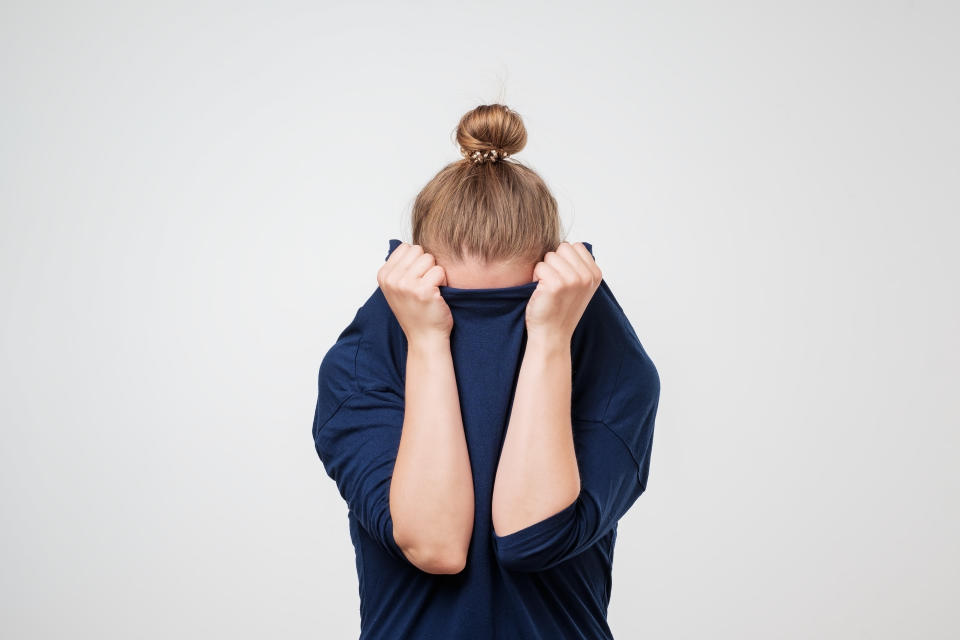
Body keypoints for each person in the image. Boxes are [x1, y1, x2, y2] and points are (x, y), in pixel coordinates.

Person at [312, 104, 660, 639]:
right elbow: (435, 545)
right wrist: (428, 340)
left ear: (555, 286)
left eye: (512, 311)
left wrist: (547, 338)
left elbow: (532, 537)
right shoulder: (362, 368)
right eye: (458, 310)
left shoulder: (613, 370)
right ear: (411, 285)